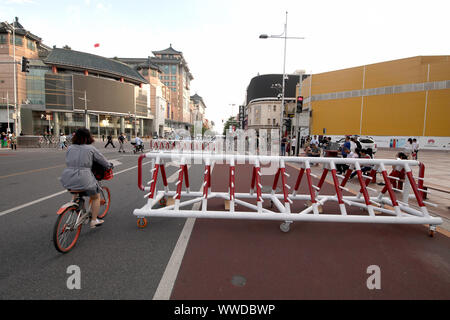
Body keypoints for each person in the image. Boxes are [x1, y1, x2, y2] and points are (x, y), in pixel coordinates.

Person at [60, 128, 113, 228]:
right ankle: (94, 220)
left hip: (67, 177)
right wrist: (109, 165)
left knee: (76, 191)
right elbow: (103, 161)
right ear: (88, 137)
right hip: (84, 178)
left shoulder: (70, 148)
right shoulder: (91, 149)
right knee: (96, 197)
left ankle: (76, 206)